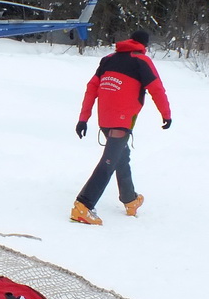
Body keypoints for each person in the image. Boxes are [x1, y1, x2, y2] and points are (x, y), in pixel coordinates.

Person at [70, 30, 171, 225]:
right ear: (145, 45)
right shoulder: (141, 61)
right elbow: (156, 88)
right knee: (108, 162)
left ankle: (130, 199)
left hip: (105, 120)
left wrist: (84, 118)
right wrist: (166, 114)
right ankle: (83, 205)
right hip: (122, 121)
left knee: (121, 157)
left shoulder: (108, 59)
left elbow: (92, 88)